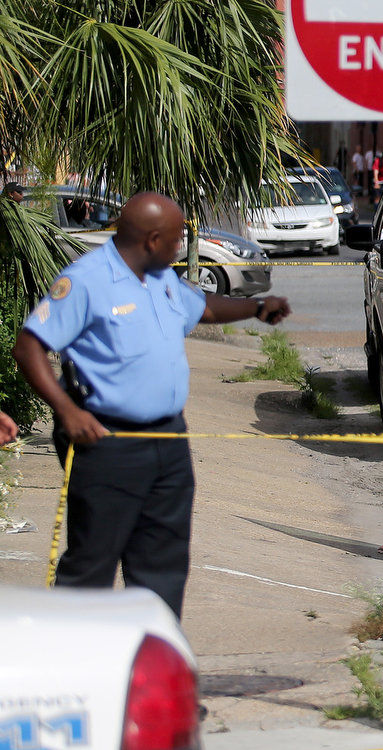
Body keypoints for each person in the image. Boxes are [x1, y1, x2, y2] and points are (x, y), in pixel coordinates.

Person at [12, 192, 291, 619]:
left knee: (162, 563)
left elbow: (201, 308)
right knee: (92, 563)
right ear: (152, 238)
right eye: (177, 238)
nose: (181, 246)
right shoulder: (87, 281)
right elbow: (30, 346)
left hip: (168, 441)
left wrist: (254, 308)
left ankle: (151, 661)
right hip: (108, 442)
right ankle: (75, 663)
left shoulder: (160, 277)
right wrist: (68, 412)